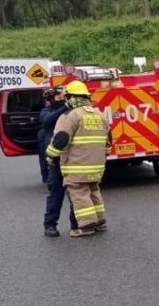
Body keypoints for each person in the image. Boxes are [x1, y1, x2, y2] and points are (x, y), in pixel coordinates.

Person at [45, 80, 111, 238]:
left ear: (70, 97)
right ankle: (100, 222)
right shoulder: (99, 115)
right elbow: (108, 143)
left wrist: (50, 155)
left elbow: (60, 140)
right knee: (94, 191)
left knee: (80, 194)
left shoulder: (70, 116)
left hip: (77, 166)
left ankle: (86, 226)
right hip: (96, 166)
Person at [41, 87, 79, 237]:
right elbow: (47, 120)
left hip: (71, 158)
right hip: (56, 160)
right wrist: (65, 107)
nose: (62, 97)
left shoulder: (72, 113)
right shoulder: (47, 112)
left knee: (75, 193)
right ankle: (50, 225)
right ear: (52, 98)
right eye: (59, 95)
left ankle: (76, 224)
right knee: (56, 193)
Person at [36, 89, 56, 183]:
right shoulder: (45, 111)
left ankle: (47, 176)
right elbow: (47, 119)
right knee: (45, 156)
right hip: (46, 133)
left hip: (51, 134)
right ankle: (46, 177)